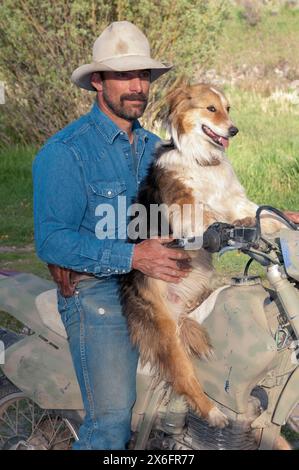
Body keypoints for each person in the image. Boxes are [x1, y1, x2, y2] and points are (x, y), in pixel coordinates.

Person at [32, 21, 192, 450]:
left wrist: (259, 217)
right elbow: (52, 241)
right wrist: (132, 257)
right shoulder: (66, 152)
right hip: (97, 291)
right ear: (98, 82)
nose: (138, 86)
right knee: (111, 423)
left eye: (144, 75)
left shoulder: (159, 148)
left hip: (152, 282)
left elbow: (189, 210)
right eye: (125, 75)